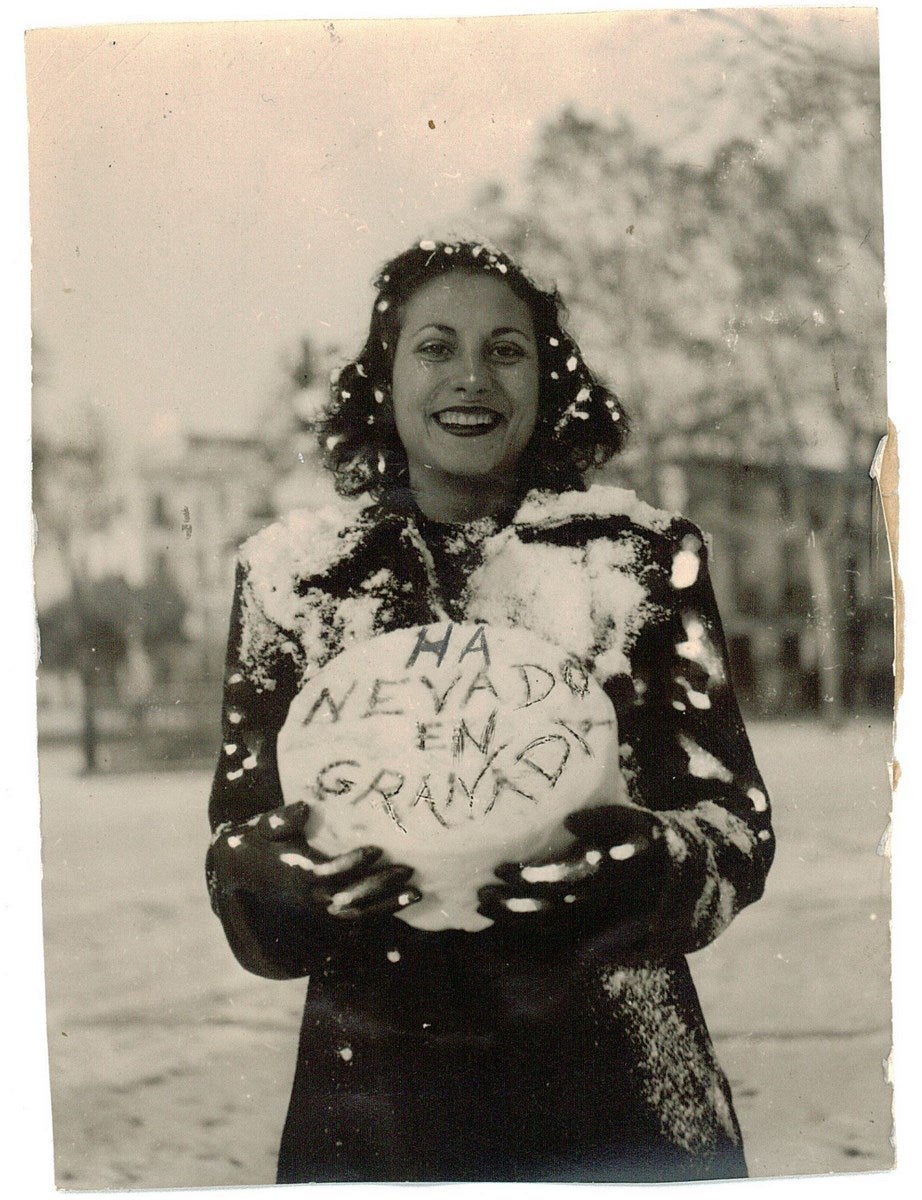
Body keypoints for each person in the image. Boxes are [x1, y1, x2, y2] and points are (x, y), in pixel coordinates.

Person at [206, 237, 775, 1184]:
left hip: (616, 1092)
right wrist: (279, 884)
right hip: (382, 1103)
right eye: (435, 347)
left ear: (549, 380)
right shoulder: (290, 578)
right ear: (382, 378)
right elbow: (238, 842)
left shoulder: (643, 557)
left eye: (506, 350)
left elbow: (733, 825)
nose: (472, 377)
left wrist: (645, 871)